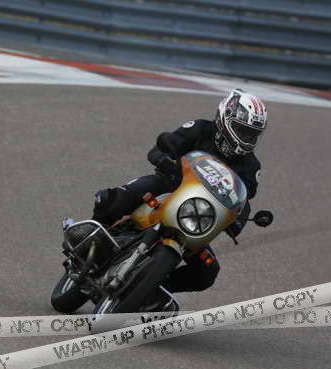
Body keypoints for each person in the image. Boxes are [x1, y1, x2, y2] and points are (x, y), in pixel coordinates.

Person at [92, 88, 267, 295]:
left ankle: (155, 289)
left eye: (253, 134)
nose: (247, 138)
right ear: (226, 118)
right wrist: (163, 158)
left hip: (200, 215)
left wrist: (239, 220)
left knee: (207, 271)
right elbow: (165, 145)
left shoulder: (251, 166)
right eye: (243, 130)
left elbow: (243, 200)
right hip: (167, 185)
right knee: (113, 200)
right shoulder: (201, 129)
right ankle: (91, 238)